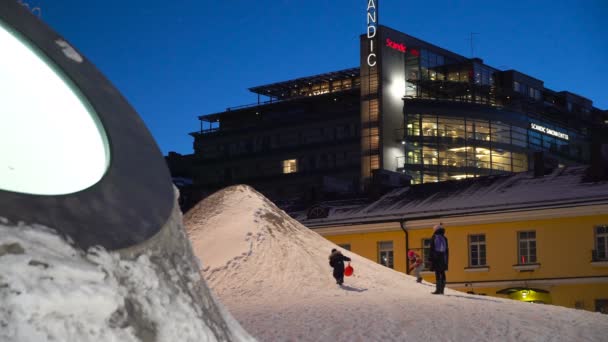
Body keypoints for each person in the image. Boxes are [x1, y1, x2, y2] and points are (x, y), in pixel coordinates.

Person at [428, 223, 449, 294]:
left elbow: (431, 248)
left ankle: (438, 290)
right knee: (442, 272)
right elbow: (447, 250)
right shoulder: (445, 238)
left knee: (437, 272)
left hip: (436, 257)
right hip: (443, 257)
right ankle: (442, 290)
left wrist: (430, 258)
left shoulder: (434, 237)